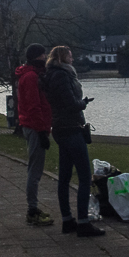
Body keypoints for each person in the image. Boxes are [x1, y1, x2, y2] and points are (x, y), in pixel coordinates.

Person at [41, 46, 104, 237]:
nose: (73, 58)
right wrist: (83, 104)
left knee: (65, 175)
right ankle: (84, 223)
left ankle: (68, 220)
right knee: (84, 176)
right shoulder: (62, 76)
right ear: (62, 58)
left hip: (60, 128)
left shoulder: (51, 75)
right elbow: (69, 104)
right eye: (70, 55)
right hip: (70, 129)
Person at [16, 43, 53, 226]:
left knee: (35, 168)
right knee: (35, 169)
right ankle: (32, 209)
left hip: (34, 125)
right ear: (38, 56)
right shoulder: (31, 77)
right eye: (44, 55)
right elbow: (34, 106)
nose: (46, 58)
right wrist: (42, 131)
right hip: (35, 127)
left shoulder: (32, 75)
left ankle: (33, 208)